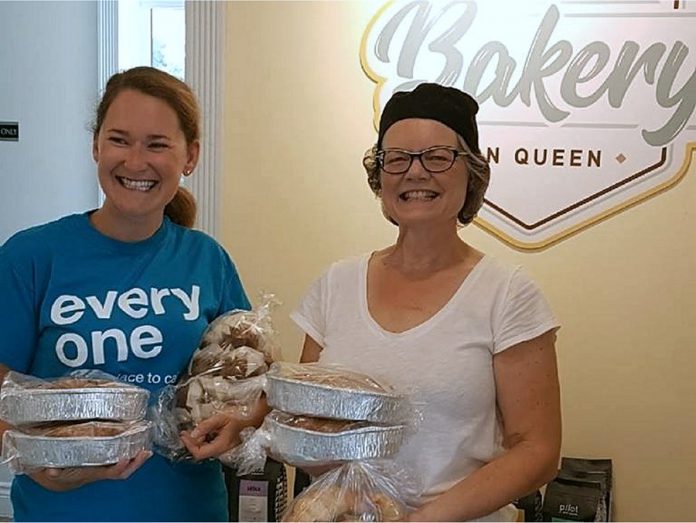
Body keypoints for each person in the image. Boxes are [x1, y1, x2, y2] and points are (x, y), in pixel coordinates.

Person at [291, 83, 562, 521]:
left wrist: (419, 520)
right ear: (379, 177)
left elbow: (537, 450)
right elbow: (307, 423)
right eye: (397, 159)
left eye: (437, 157)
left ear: (471, 172)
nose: (415, 173)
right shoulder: (335, 285)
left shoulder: (507, 294)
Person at [0, 66, 256, 521]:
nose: (136, 162)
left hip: (188, 510)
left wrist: (239, 424)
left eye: (157, 144)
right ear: (96, 146)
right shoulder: (31, 256)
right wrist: (37, 463)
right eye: (119, 140)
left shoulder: (207, 259)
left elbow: (249, 381)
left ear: (190, 156)